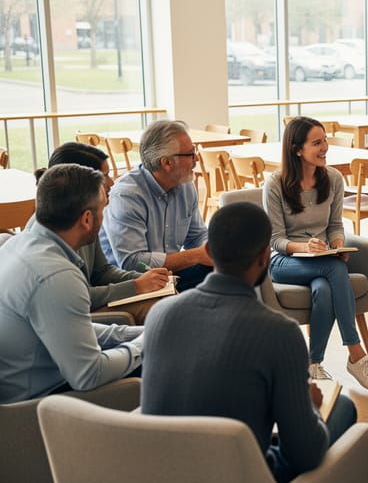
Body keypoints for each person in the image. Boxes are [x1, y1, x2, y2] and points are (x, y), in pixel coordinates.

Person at [141, 202, 357, 483]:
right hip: (243, 472)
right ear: (265, 257)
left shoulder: (158, 315)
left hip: (164, 471)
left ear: (208, 252)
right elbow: (305, 454)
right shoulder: (280, 333)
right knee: (343, 408)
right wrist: (311, 406)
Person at [0, 164, 144, 404]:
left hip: (32, 383)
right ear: (87, 219)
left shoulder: (16, 245)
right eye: (103, 208)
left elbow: (67, 326)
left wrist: (142, 333)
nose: (104, 215)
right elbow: (89, 375)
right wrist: (144, 344)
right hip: (37, 406)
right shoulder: (56, 276)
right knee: (168, 359)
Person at [263, 116, 368, 391]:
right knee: (335, 268)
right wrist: (305, 248)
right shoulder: (275, 184)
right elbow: (275, 240)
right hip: (284, 261)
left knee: (325, 288)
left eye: (325, 140)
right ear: (297, 149)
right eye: (317, 143)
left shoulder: (333, 178)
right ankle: (356, 354)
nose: (325, 148)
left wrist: (337, 245)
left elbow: (334, 226)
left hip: (322, 259)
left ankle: (313, 364)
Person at [28, 143, 171, 324]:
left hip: (88, 300)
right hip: (74, 309)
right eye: (104, 176)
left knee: (167, 300)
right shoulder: (54, 230)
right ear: (81, 181)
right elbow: (74, 295)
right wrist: (136, 286)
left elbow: (101, 271)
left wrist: (148, 279)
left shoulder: (84, 217)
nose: (111, 183)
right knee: (159, 309)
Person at [100, 120, 212, 291]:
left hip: (169, 277)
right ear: (167, 163)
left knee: (234, 267)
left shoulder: (185, 185)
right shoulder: (127, 195)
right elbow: (133, 263)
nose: (196, 159)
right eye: (191, 154)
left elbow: (196, 237)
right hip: (134, 284)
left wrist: (213, 249)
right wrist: (195, 256)